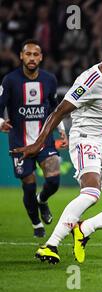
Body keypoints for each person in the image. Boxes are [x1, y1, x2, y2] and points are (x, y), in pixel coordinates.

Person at [13, 36, 102, 264]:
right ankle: (50, 245)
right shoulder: (89, 81)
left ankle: (84, 229)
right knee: (92, 194)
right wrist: (39, 142)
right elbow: (58, 112)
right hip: (86, 140)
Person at [0, 39, 68, 238]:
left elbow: (56, 108)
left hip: (44, 139)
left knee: (54, 181)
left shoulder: (49, 80)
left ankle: (43, 200)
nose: (31, 58)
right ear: (21, 56)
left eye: (35, 54)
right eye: (28, 54)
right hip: (19, 143)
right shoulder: (10, 80)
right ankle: (36, 222)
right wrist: (1, 122)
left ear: (41, 57)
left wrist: (61, 129)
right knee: (28, 185)